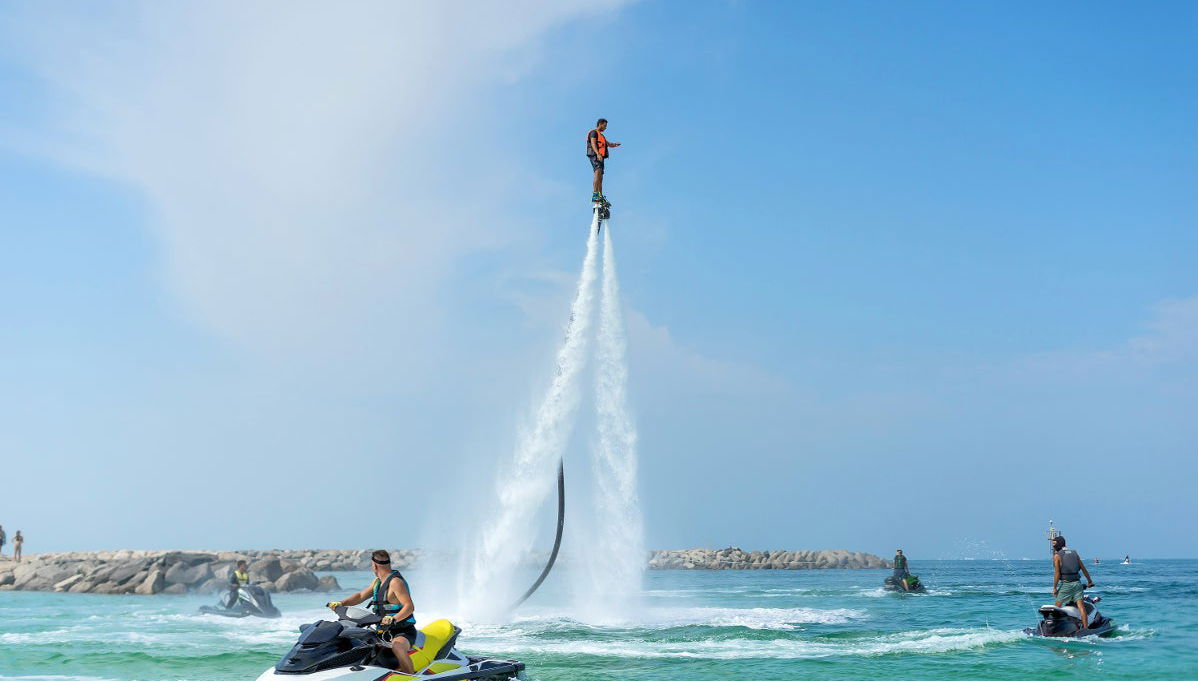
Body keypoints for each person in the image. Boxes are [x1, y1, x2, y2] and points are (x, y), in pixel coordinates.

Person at [326, 550, 417, 674]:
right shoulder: (377, 582)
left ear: (374, 565)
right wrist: (341, 603)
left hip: (402, 631)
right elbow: (360, 596)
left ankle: (411, 676)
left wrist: (394, 618)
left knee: (398, 648)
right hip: (383, 631)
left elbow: (409, 606)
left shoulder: (396, 582)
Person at [1052, 535, 1095, 629]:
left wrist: (1055, 588)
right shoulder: (1074, 554)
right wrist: (1090, 581)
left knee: (1057, 606)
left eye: (1054, 544)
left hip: (1067, 584)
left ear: (1059, 544)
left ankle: (1053, 627)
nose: (1053, 546)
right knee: (1081, 606)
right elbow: (1083, 569)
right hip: (1077, 584)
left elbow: (1057, 573)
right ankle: (1085, 628)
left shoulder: (1057, 556)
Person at [586, 118, 621, 203]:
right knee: (597, 173)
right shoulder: (593, 133)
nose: (605, 128)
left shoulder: (602, 136)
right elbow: (593, 143)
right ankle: (595, 194)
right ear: (600, 124)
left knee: (600, 177)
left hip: (600, 157)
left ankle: (600, 196)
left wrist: (615, 145)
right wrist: (597, 153)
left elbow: (609, 144)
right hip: (595, 155)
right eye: (605, 126)